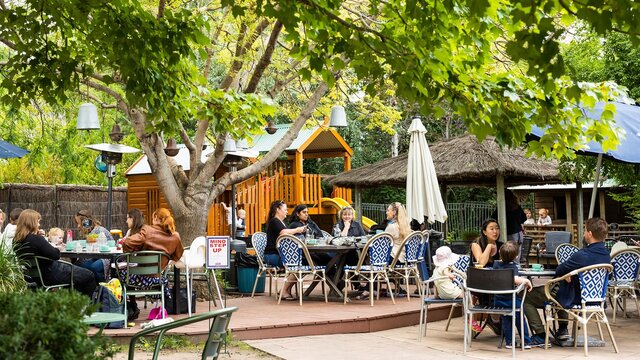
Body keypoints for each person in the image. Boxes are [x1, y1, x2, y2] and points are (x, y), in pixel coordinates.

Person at [523, 217, 611, 344]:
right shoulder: (606, 255)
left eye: (585, 231)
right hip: (596, 299)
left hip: (574, 297)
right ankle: (563, 329)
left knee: (527, 295)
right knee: (562, 285)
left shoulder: (582, 255)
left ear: (590, 234)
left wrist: (568, 274)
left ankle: (541, 334)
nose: (584, 233)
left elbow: (559, 270)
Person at [13, 209, 97, 296]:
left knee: (78, 277)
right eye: (38, 222)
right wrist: (54, 246)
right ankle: (89, 307)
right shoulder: (36, 239)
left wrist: (41, 238)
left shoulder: (16, 241)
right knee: (89, 275)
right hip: (51, 274)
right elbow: (55, 255)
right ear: (31, 223)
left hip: (33, 277)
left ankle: (73, 304)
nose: (39, 224)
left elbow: (36, 250)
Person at [121, 208, 185, 317]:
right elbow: (177, 256)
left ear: (156, 218)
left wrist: (139, 248)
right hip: (158, 280)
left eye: (153, 218)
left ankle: (130, 307)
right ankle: (134, 307)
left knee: (119, 272)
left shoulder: (147, 230)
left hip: (139, 279)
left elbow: (127, 243)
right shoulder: (175, 237)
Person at [492, 242, 542, 348]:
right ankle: (526, 341)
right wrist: (526, 281)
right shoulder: (512, 267)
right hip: (512, 299)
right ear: (516, 257)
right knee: (520, 319)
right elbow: (514, 279)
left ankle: (510, 342)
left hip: (499, 299)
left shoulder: (496, 265)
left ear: (499, 253)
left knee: (506, 320)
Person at [264, 200, 307, 300]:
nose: (287, 212)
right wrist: (297, 230)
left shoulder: (280, 222)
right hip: (272, 256)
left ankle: (285, 290)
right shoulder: (275, 221)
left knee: (302, 262)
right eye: (285, 209)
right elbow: (283, 233)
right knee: (301, 264)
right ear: (277, 210)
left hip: (278, 255)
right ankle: (284, 291)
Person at [74, 209, 114, 283]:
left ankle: (102, 287)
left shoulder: (98, 231)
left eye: (79, 223)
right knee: (78, 264)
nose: (78, 226)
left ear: (85, 222)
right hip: (96, 256)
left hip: (106, 257)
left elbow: (93, 249)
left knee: (93, 268)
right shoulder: (90, 232)